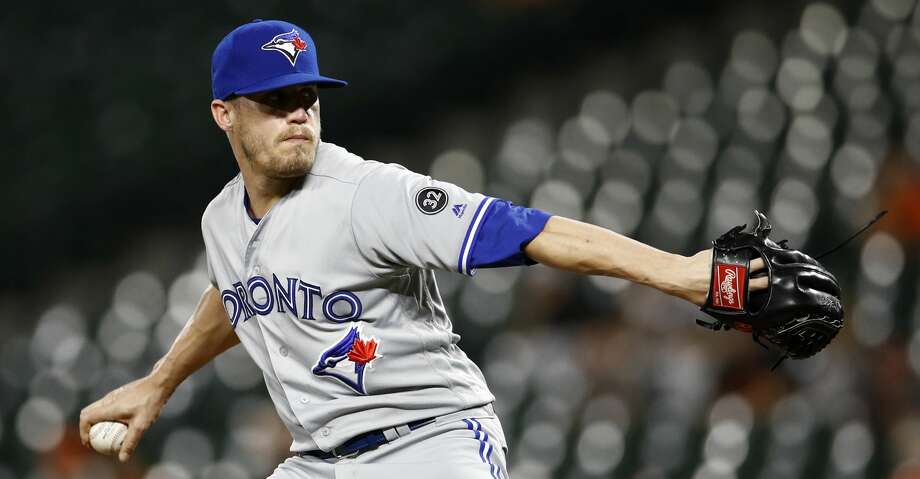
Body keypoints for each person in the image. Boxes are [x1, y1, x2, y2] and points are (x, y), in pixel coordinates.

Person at [78, 19, 768, 478]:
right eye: (274, 97)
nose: (298, 112)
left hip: (429, 443)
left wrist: (680, 273)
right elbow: (241, 291)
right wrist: (160, 380)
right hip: (317, 461)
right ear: (223, 112)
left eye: (308, 96)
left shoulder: (367, 194)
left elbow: (533, 230)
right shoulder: (222, 220)